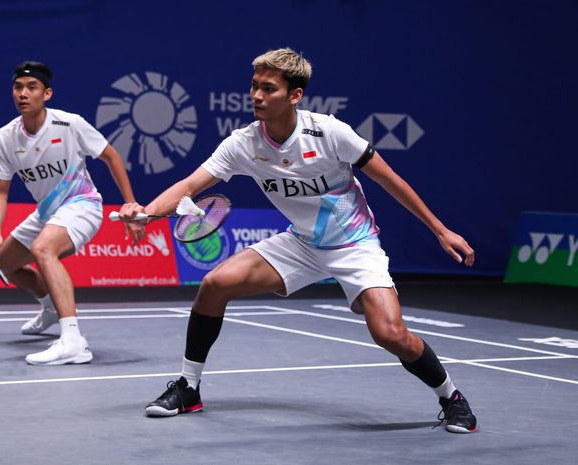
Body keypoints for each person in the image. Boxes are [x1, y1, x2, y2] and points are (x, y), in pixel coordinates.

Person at [119, 48, 477, 433]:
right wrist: (144, 211)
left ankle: (451, 397)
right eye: (254, 86)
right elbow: (189, 185)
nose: (256, 95)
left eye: (268, 88)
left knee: (390, 334)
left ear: (294, 95)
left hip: (354, 244)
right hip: (302, 243)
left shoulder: (329, 132)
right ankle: (189, 387)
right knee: (215, 284)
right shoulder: (243, 143)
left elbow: (389, 179)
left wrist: (440, 229)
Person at [0, 61, 144, 365]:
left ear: (47, 94)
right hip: (47, 212)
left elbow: (111, 157)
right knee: (1, 263)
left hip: (82, 204)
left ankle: (73, 341)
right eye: (18, 87)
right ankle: (49, 307)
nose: (23, 93)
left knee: (43, 248)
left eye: (31, 88)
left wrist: (130, 203)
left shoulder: (69, 124)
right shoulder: (6, 137)